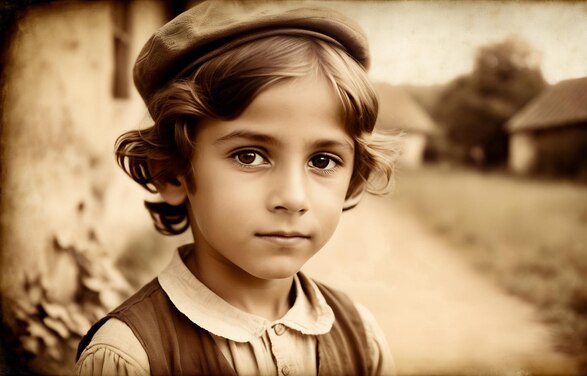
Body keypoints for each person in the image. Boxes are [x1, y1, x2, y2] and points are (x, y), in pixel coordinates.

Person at [75, 1, 398, 375]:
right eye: (249, 156)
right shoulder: (130, 355)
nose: (293, 198)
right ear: (172, 173)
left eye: (322, 161)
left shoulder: (363, 338)